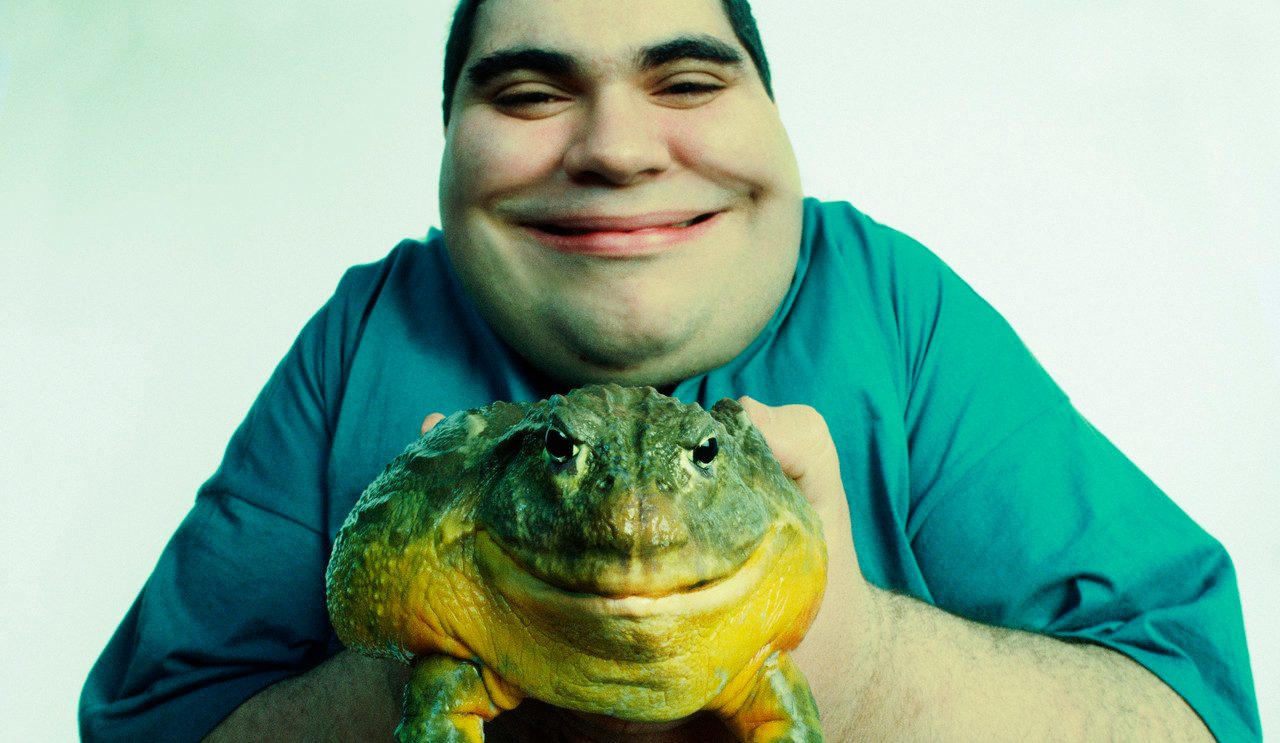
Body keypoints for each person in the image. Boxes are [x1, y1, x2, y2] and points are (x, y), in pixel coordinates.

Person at [80, 0, 1260, 740]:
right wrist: (446, 663)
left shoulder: (893, 305)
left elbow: (1196, 708)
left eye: (686, 79)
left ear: (773, 118)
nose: (616, 149)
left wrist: (849, 657)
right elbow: (142, 723)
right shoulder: (372, 324)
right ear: (444, 140)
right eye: (531, 92)